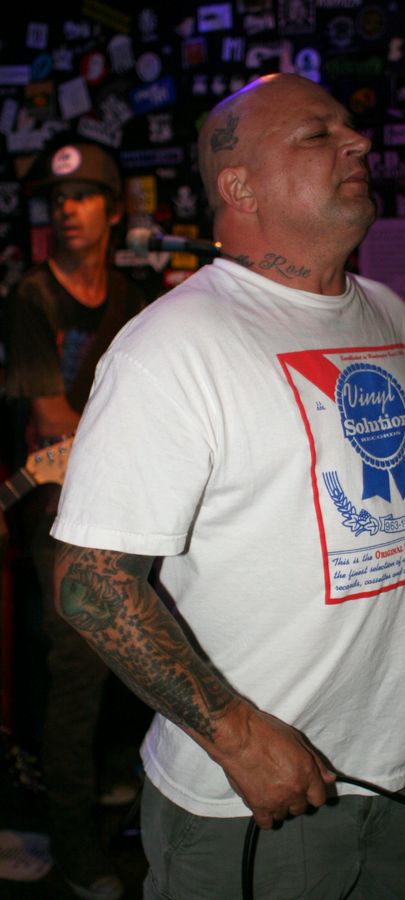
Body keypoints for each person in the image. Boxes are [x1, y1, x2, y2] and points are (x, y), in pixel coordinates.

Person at [50, 75, 405, 899]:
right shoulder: (171, 347)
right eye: (316, 134)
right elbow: (89, 583)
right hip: (258, 796)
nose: (358, 141)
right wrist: (236, 734)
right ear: (240, 186)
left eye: (349, 127)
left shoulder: (387, 313)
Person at [5, 141, 146, 900]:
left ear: (114, 210)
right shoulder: (31, 297)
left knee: (156, 628)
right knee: (79, 658)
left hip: (127, 492)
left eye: (85, 196)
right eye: (58, 199)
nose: (67, 209)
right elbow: (54, 420)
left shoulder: (134, 297)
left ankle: (115, 769)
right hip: (58, 505)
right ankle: (71, 838)